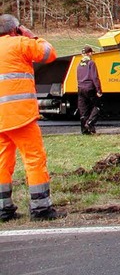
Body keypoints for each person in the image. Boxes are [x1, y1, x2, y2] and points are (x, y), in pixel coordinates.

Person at [0, 14, 66, 221]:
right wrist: (32, 35)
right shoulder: (20, 43)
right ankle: (41, 208)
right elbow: (49, 54)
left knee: (2, 163)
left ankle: (3, 209)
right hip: (20, 116)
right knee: (34, 160)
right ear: (15, 29)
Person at [77, 45, 103, 135]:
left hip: (80, 88)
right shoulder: (91, 63)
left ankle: (84, 130)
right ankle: (90, 123)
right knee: (97, 106)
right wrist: (99, 90)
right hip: (89, 88)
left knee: (84, 110)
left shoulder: (79, 64)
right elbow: (94, 77)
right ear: (90, 53)